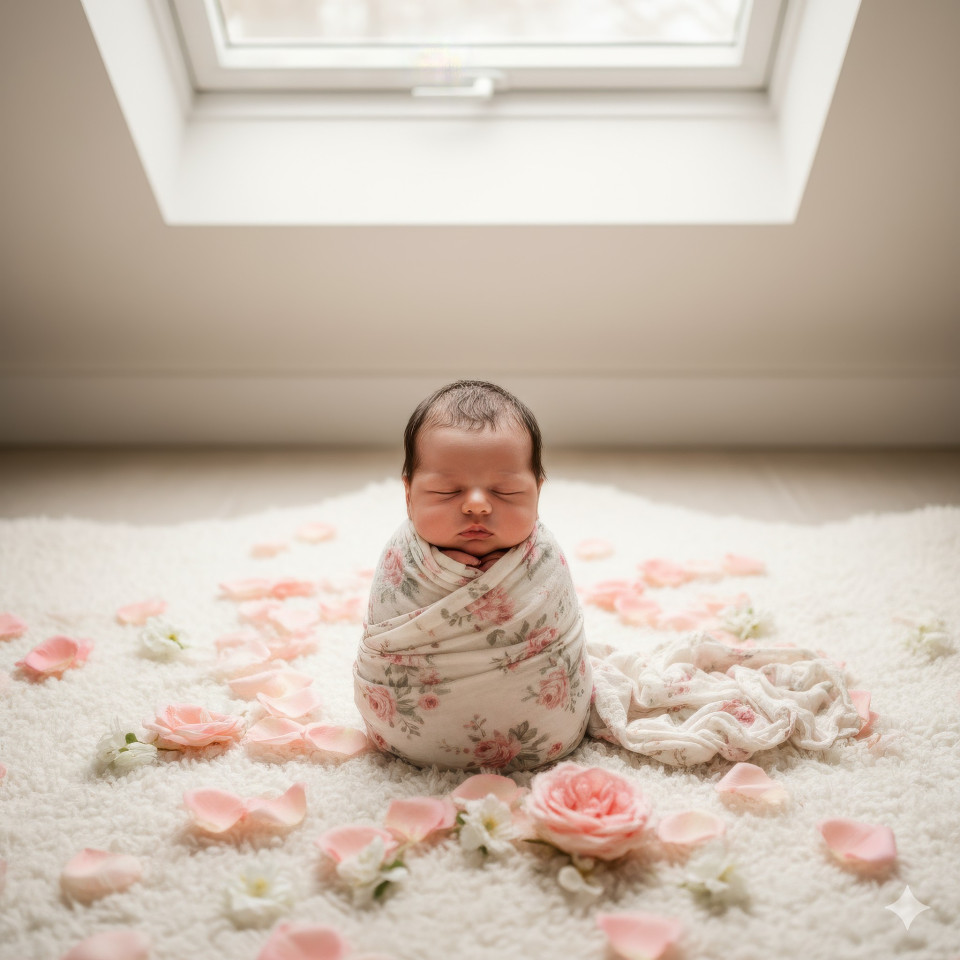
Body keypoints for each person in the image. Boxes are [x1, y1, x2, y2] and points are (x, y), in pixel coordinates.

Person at [353, 380, 592, 771]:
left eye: (507, 492)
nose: (477, 505)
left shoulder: (542, 558)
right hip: (403, 732)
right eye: (447, 492)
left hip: (548, 735)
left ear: (537, 492)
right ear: (409, 494)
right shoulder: (403, 559)